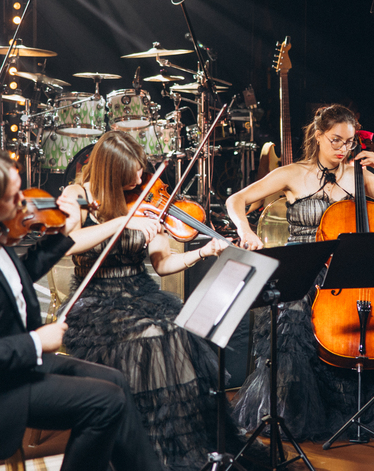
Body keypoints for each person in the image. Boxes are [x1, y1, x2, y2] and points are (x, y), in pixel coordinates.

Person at [0, 143, 162, 471]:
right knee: (105, 402)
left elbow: (19, 276)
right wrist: (37, 342)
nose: (23, 204)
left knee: (116, 381)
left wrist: (65, 236)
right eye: (13, 198)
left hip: (8, 369)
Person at [226, 103, 374, 441]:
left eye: (350, 142)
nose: (343, 149)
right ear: (318, 135)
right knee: (292, 323)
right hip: (307, 269)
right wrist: (245, 230)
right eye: (336, 141)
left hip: (352, 270)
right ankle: (294, 410)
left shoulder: (358, 176)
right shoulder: (293, 173)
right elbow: (236, 201)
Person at [58, 131, 255, 471]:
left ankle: (181, 448)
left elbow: (163, 265)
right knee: (149, 338)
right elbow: (69, 243)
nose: (140, 178)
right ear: (112, 170)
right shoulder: (77, 195)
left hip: (140, 293)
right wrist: (121, 222)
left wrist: (204, 251)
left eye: (141, 169)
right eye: (132, 172)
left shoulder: (142, 200)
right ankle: (142, 452)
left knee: (177, 332)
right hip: (96, 302)